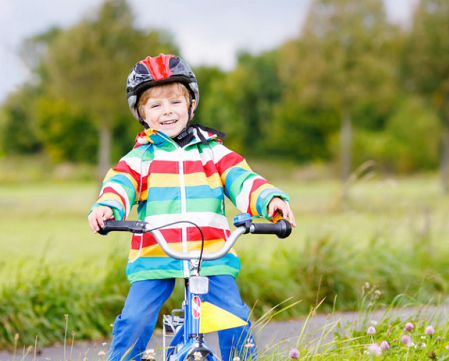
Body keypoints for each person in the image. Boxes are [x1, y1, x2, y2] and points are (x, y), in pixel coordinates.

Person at [88, 54, 296, 361]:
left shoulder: (213, 151)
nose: (167, 111)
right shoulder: (140, 157)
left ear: (191, 105)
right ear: (141, 113)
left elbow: (242, 179)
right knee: (134, 320)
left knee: (235, 319)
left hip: (212, 253)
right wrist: (107, 207)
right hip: (155, 254)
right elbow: (119, 184)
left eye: (175, 102)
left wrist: (271, 200)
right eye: (155, 105)